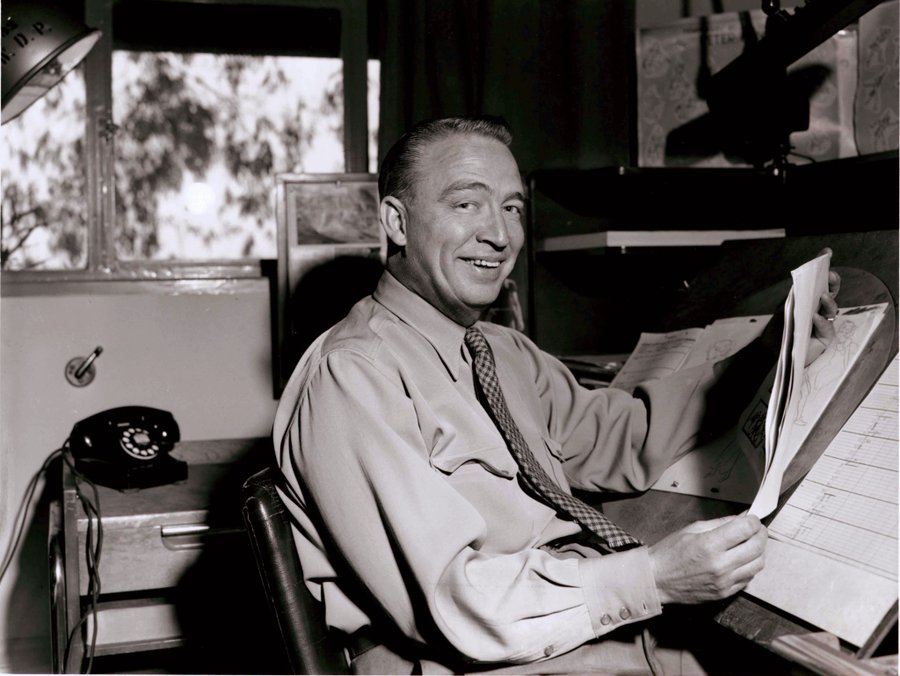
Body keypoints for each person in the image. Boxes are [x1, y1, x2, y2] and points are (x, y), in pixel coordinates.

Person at [273, 116, 840, 675]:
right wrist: (657, 576)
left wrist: (766, 354)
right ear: (396, 222)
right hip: (470, 659)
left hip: (567, 630)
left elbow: (624, 436)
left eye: (512, 207)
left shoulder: (501, 351)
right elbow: (456, 604)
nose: (498, 234)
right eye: (466, 204)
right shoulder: (352, 376)